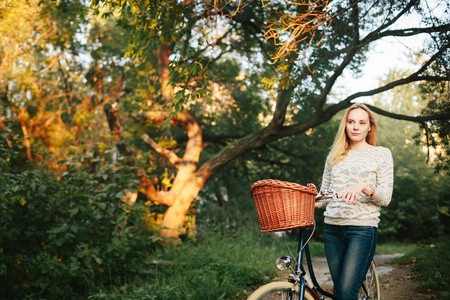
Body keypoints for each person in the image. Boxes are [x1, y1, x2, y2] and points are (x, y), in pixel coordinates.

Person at [318, 103, 394, 299]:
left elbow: (385, 198)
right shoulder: (334, 155)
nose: (355, 127)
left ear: (370, 127)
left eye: (361, 122)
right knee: (340, 292)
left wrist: (363, 187)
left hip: (362, 230)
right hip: (332, 229)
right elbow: (324, 195)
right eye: (351, 122)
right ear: (345, 125)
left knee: (345, 294)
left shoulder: (381, 154)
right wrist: (312, 198)